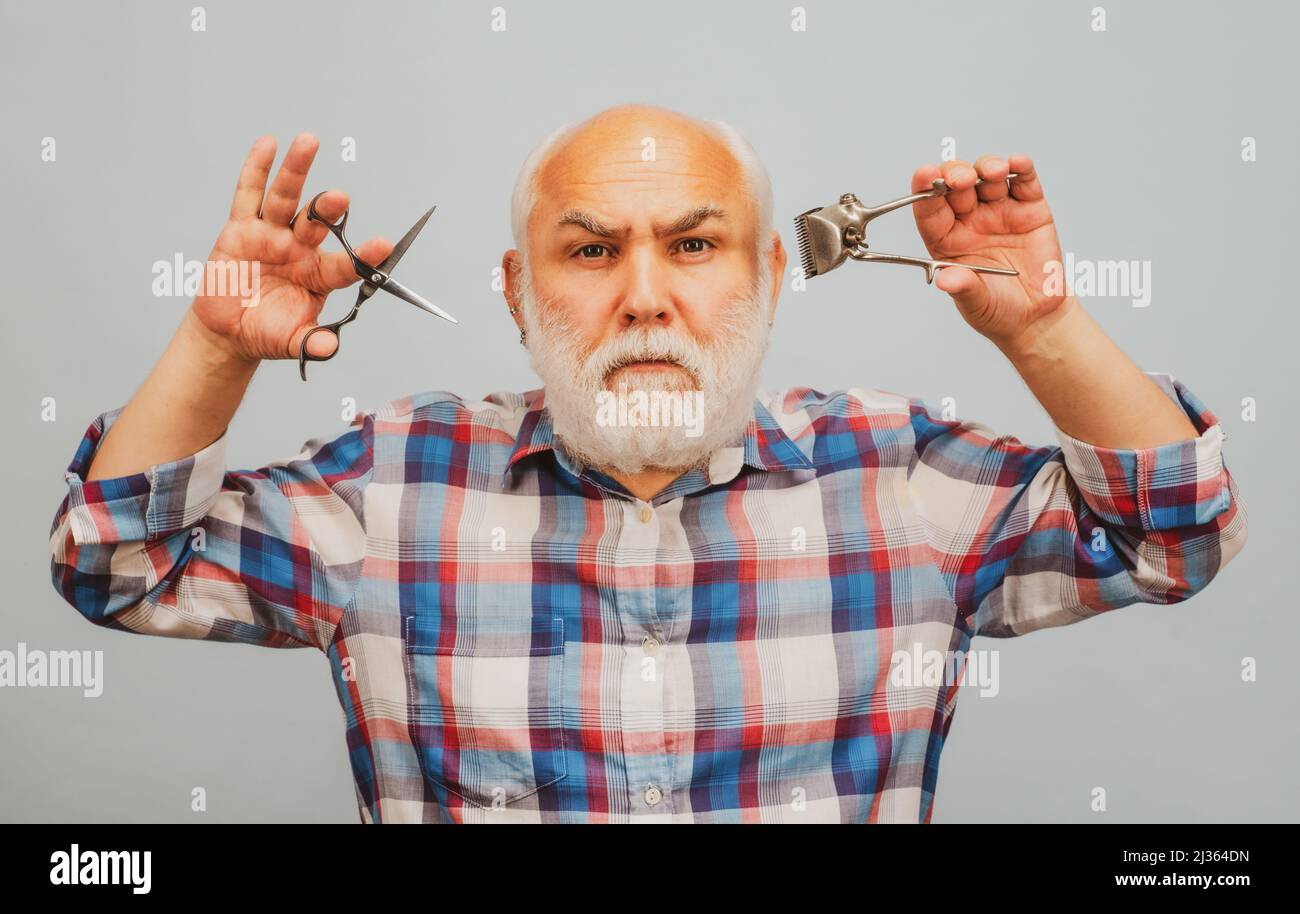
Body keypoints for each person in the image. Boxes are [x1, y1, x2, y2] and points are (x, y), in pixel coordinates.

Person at [48, 104, 1247, 823]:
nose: (643, 295)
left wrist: (1040, 327)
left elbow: (1175, 532)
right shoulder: (391, 485)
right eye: (588, 249)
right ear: (518, 292)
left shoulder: (900, 478)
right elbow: (116, 565)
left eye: (693, 243)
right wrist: (214, 349)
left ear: (768, 274)